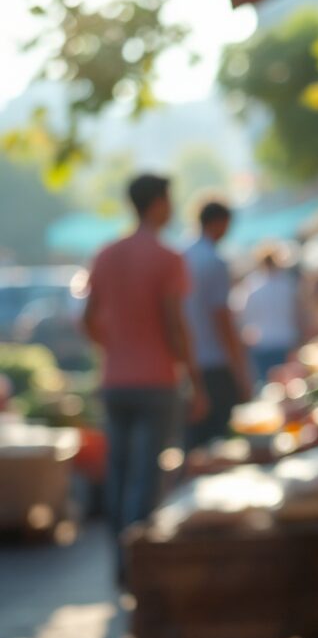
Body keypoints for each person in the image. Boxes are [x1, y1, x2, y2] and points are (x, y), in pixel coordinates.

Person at [82, 174, 207, 576]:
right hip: (156, 381)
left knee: (118, 473)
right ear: (156, 204)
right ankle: (139, 562)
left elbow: (87, 319)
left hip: (115, 381)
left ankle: (121, 562)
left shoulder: (106, 254)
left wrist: (115, 348)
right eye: (169, 201)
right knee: (146, 477)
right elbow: (175, 325)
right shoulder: (167, 257)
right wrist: (193, 378)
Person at [182, 200, 251, 449]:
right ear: (219, 222)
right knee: (219, 441)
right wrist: (241, 369)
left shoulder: (182, 256)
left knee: (194, 442)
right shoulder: (213, 261)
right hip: (214, 363)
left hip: (187, 363)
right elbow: (221, 318)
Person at [233, 241, 303, 385]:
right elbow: (298, 313)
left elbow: (240, 314)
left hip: (262, 342)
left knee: (268, 386)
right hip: (286, 339)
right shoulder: (287, 284)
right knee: (290, 384)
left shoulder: (251, 286)